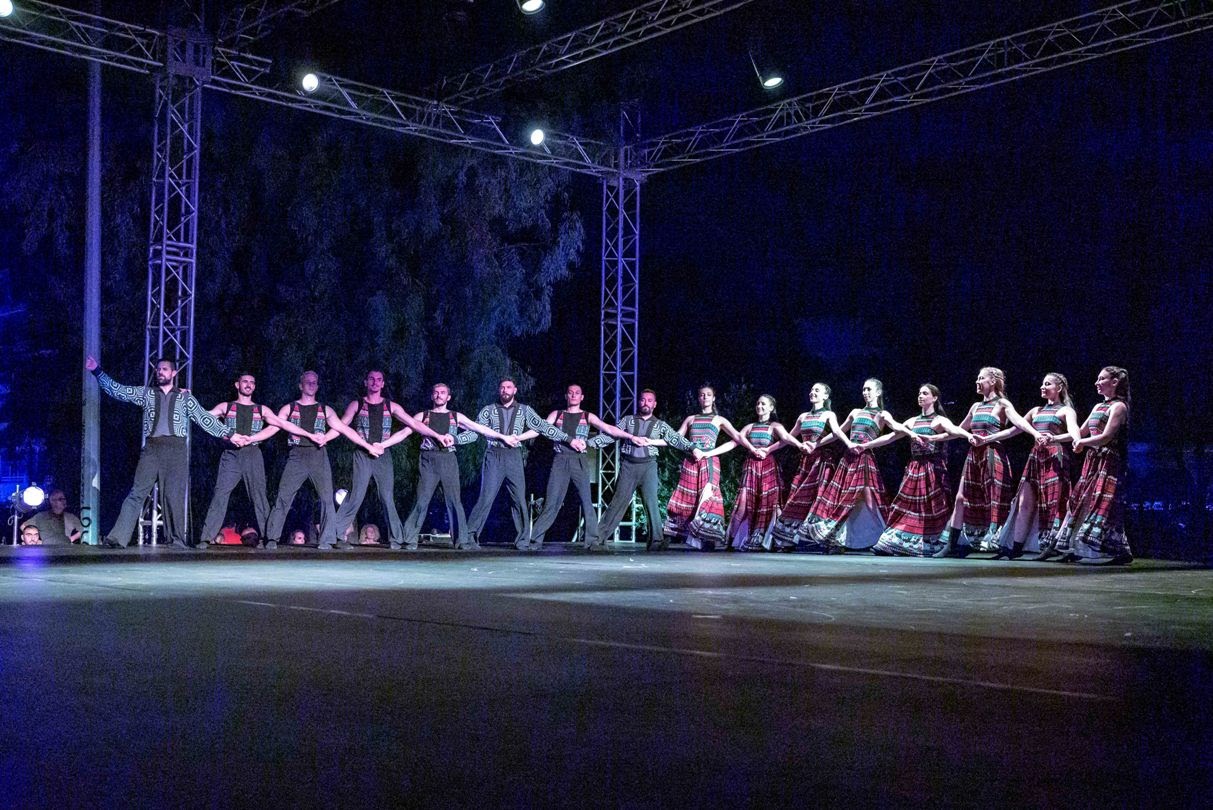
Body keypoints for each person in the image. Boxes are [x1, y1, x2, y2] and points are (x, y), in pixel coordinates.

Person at [87, 355, 244, 548]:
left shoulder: (185, 397)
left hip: (176, 449)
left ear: (173, 373)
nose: (160, 372)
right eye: (158, 369)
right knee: (137, 493)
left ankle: (176, 540)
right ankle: (117, 538)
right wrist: (97, 371)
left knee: (173, 497)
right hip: (152, 449)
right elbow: (119, 391)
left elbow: (204, 418)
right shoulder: (146, 393)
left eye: (165, 369)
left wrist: (230, 434)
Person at [332, 370, 454, 550]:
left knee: (387, 496)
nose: (375, 382)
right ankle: (335, 535)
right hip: (362, 453)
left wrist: (437, 436)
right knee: (356, 495)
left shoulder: (391, 406)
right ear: (366, 382)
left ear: (383, 384)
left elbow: (414, 424)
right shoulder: (357, 404)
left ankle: (396, 538)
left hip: (383, 454)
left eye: (379, 380)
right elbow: (341, 426)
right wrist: (326, 437)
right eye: (371, 379)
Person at [198, 372, 319, 550]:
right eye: (245, 381)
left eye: (252, 382)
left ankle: (268, 537)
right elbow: (204, 418)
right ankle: (206, 537)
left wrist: (307, 434)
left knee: (259, 497)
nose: (248, 384)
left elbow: (280, 424)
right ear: (237, 385)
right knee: (220, 494)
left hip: (253, 454)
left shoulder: (261, 409)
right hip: (231, 454)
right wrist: (226, 434)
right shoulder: (226, 406)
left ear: (254, 386)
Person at [264, 370, 382, 550]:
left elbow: (343, 428)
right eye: (308, 382)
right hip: (297, 455)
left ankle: (328, 540)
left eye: (314, 382)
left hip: (318, 455)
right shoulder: (290, 408)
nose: (311, 385)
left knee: (327, 498)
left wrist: (367, 446)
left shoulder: (325, 409)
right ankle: (272, 538)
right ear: (300, 385)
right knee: (284, 496)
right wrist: (251, 439)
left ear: (317, 386)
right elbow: (276, 426)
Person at [935, 367, 1042, 558]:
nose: (977, 381)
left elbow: (1018, 423)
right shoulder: (975, 406)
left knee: (995, 498)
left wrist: (1035, 433)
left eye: (981, 378)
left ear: (992, 381)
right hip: (974, 455)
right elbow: (957, 430)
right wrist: (932, 438)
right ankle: (951, 544)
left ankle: (997, 542)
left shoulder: (1002, 403)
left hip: (992, 453)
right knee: (960, 498)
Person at [1034, 366, 1133, 565]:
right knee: (1079, 500)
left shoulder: (1119, 407)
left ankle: (1117, 549)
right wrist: (1053, 438)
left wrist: (1082, 443)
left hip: (1109, 460)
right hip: (1093, 460)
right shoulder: (1098, 407)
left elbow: (1106, 437)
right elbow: (1079, 432)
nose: (1097, 383)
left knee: (1103, 503)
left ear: (1114, 382)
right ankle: (1071, 547)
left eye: (1102, 379)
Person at [466, 377, 578, 550]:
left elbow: (543, 427)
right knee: (486, 496)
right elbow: (474, 430)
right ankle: (470, 537)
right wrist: (455, 439)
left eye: (508, 387)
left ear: (515, 390)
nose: (505, 390)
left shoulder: (524, 410)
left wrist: (569, 439)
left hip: (514, 456)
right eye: (502, 387)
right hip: (494, 454)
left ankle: (523, 540)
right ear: (499, 390)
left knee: (518, 497)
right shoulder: (488, 410)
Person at [400, 382, 515, 551]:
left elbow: (479, 428)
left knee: (454, 500)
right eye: (436, 392)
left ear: (448, 397)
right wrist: (383, 445)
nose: (439, 395)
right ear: (432, 396)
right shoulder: (423, 415)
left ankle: (461, 540)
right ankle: (409, 539)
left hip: (448, 459)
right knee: (422, 499)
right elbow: (404, 432)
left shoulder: (455, 416)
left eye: (442, 392)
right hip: (428, 459)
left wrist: (503, 437)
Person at [803, 378, 914, 551]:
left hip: (864, 459)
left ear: (878, 392)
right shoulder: (855, 412)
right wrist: (816, 444)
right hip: (849, 459)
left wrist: (912, 434)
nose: (865, 392)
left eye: (869, 389)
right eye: (864, 389)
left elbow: (896, 428)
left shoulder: (882, 414)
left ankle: (886, 538)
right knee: (843, 498)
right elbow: (837, 432)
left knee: (870, 499)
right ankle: (838, 540)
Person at [528, 384, 635, 551]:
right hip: (560, 460)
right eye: (570, 392)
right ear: (566, 396)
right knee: (552, 501)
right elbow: (541, 429)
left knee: (586, 500)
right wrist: (519, 437)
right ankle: (535, 540)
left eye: (577, 393)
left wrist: (630, 436)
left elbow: (608, 429)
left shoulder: (587, 416)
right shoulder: (557, 414)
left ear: (582, 397)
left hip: (579, 460)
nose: (573, 395)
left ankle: (592, 541)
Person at [872, 385, 970, 556]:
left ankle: (934, 543)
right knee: (905, 505)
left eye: (925, 393)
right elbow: (891, 436)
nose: (920, 396)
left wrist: (968, 435)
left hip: (932, 469)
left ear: (934, 398)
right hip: (914, 468)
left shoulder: (939, 420)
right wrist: (866, 445)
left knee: (932, 507)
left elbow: (954, 430)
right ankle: (898, 542)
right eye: (919, 393)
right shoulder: (912, 421)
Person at [595, 389, 697, 551]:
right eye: (643, 400)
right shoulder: (628, 420)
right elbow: (611, 434)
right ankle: (598, 538)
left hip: (649, 466)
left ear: (654, 404)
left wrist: (692, 448)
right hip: (628, 466)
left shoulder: (660, 424)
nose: (646, 403)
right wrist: (590, 443)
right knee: (618, 501)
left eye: (649, 400)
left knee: (651, 503)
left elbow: (675, 438)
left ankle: (656, 541)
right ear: (638, 402)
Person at [993, 373, 1080, 559]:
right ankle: (1015, 548)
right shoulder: (1035, 411)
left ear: (1059, 388)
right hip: (1035, 457)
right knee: (1024, 502)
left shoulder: (1066, 411)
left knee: (1053, 502)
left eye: (1047, 384)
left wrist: (1053, 437)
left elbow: (1074, 433)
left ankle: (1052, 545)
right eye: (1042, 383)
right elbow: (1014, 430)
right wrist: (987, 439)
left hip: (1055, 457)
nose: (1042, 387)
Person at [663, 385, 752, 550]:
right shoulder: (691, 419)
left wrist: (753, 449)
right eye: (702, 395)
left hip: (710, 461)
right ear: (698, 398)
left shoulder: (719, 420)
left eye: (708, 395)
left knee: (708, 494)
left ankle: (706, 537)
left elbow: (737, 439)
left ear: (714, 398)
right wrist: (651, 441)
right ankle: (677, 535)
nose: (705, 397)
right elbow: (676, 438)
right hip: (691, 461)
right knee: (687, 497)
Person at [770, 383, 848, 549]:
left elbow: (836, 433)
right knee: (797, 497)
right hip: (806, 462)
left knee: (821, 500)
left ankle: (829, 541)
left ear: (825, 396)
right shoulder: (803, 417)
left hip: (822, 462)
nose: (812, 392)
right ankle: (788, 540)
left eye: (817, 390)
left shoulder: (828, 414)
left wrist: (816, 444)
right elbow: (787, 438)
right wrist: (768, 450)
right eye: (812, 390)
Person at [728, 395, 802, 550]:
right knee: (742, 503)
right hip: (751, 467)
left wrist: (800, 445)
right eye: (758, 403)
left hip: (768, 467)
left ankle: (782, 541)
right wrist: (752, 448)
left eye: (763, 404)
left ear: (771, 408)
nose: (759, 406)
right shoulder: (750, 427)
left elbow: (786, 438)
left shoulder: (774, 426)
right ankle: (730, 541)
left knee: (772, 503)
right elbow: (737, 439)